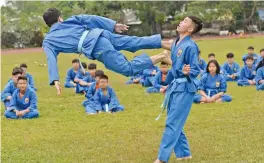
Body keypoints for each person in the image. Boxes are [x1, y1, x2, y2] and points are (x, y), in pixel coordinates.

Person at [42, 8, 172, 95]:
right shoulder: (71, 20)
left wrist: (55, 79)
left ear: (47, 24)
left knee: (128, 69)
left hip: (97, 47)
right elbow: (90, 18)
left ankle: (162, 56)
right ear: (60, 18)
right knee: (133, 42)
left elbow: (51, 58)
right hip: (102, 34)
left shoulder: (48, 41)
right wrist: (113, 25)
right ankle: (165, 44)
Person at [154, 16, 202, 163]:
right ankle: (184, 154)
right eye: (181, 20)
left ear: (190, 29)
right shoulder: (176, 43)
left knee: (173, 122)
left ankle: (162, 159)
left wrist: (188, 72)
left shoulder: (191, 46)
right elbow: (175, 68)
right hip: (175, 87)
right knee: (174, 121)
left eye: (185, 21)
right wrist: (168, 85)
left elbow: (195, 69)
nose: (181, 22)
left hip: (185, 88)